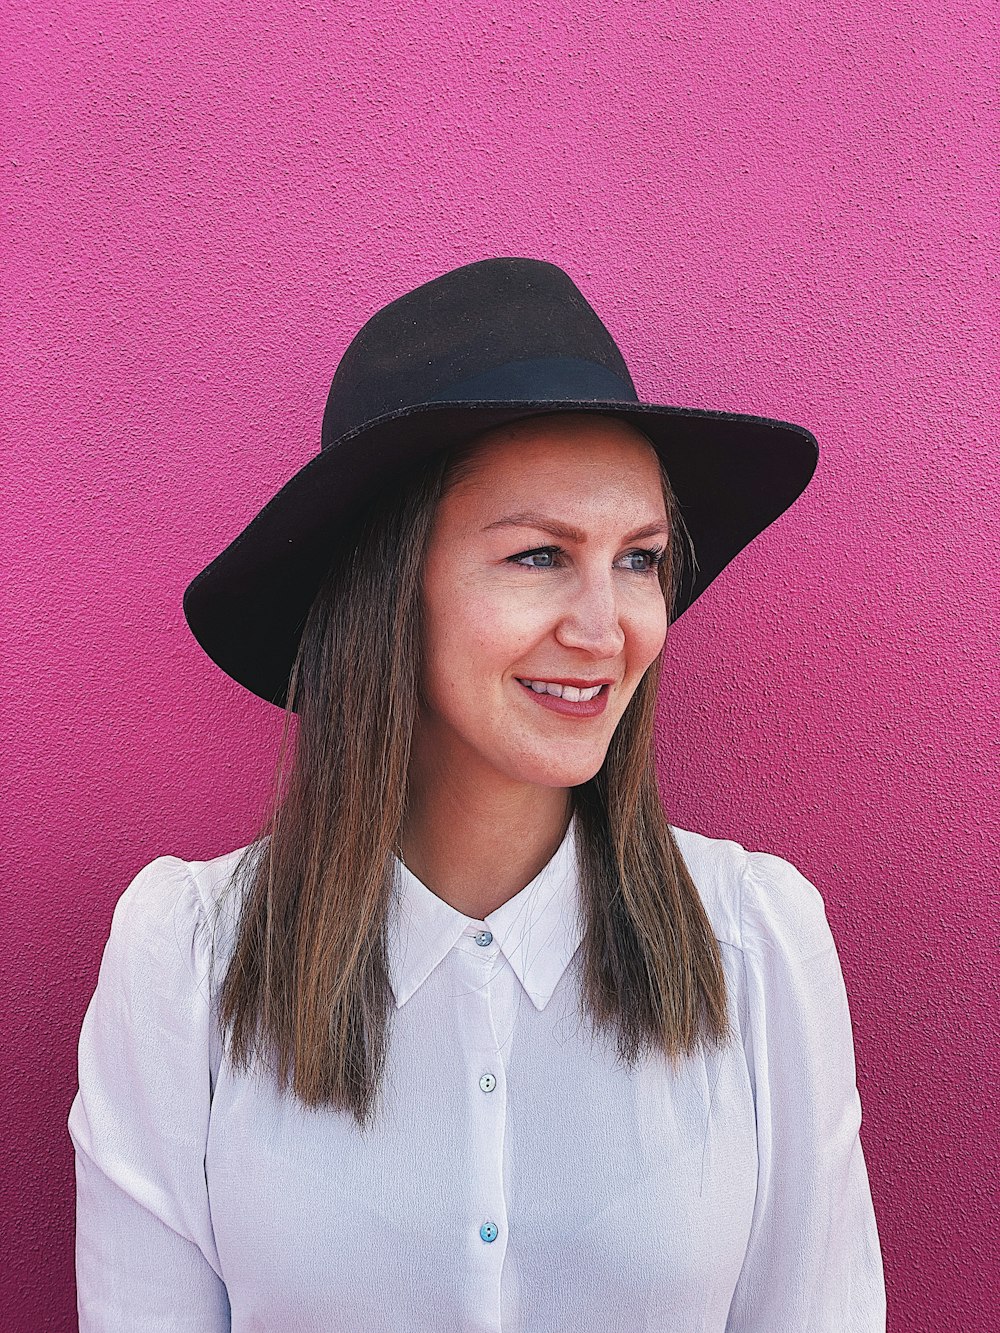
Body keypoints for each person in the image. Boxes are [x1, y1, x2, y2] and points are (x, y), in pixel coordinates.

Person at [68, 257, 887, 1331]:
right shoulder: (187, 958)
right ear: (386, 587)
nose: (606, 630)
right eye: (541, 555)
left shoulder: (754, 940)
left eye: (639, 560)